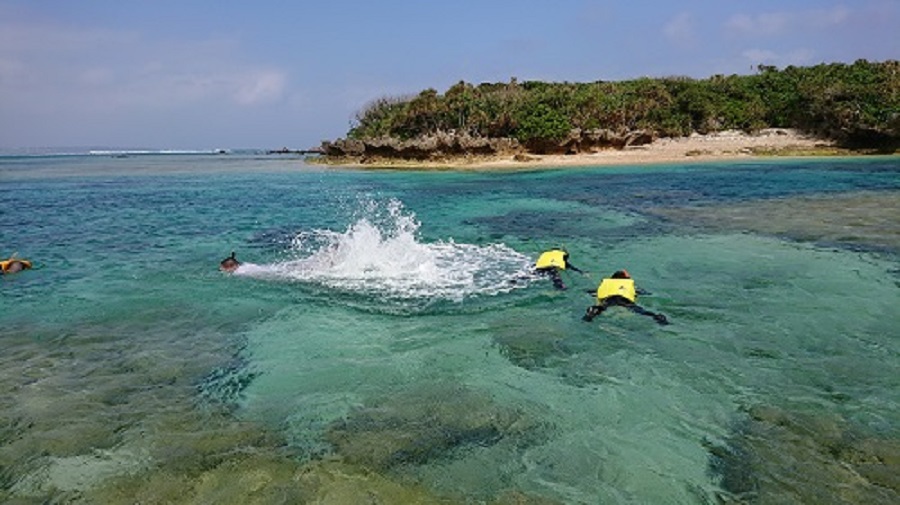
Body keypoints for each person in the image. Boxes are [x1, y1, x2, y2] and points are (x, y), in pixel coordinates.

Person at [582, 269, 669, 325]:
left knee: (600, 308)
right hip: (624, 300)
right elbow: (645, 293)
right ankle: (657, 317)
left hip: (609, 299)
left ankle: (590, 314)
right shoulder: (630, 285)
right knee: (640, 310)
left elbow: (591, 292)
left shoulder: (607, 284)